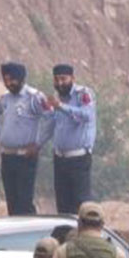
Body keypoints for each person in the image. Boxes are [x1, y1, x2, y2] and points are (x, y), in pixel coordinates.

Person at [0, 62, 48, 216]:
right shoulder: (5, 99)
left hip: (25, 156)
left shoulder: (34, 98)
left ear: (21, 79)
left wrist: (38, 143)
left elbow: (51, 119)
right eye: (5, 80)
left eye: (12, 80)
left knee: (24, 203)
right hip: (7, 156)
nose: (8, 83)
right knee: (12, 203)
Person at [42, 63, 96, 215]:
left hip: (78, 158)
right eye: (56, 79)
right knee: (63, 205)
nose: (60, 83)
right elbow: (51, 124)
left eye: (63, 79)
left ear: (72, 78)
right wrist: (37, 144)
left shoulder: (83, 94)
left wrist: (61, 106)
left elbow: (87, 115)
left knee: (81, 204)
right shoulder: (57, 97)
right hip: (60, 159)